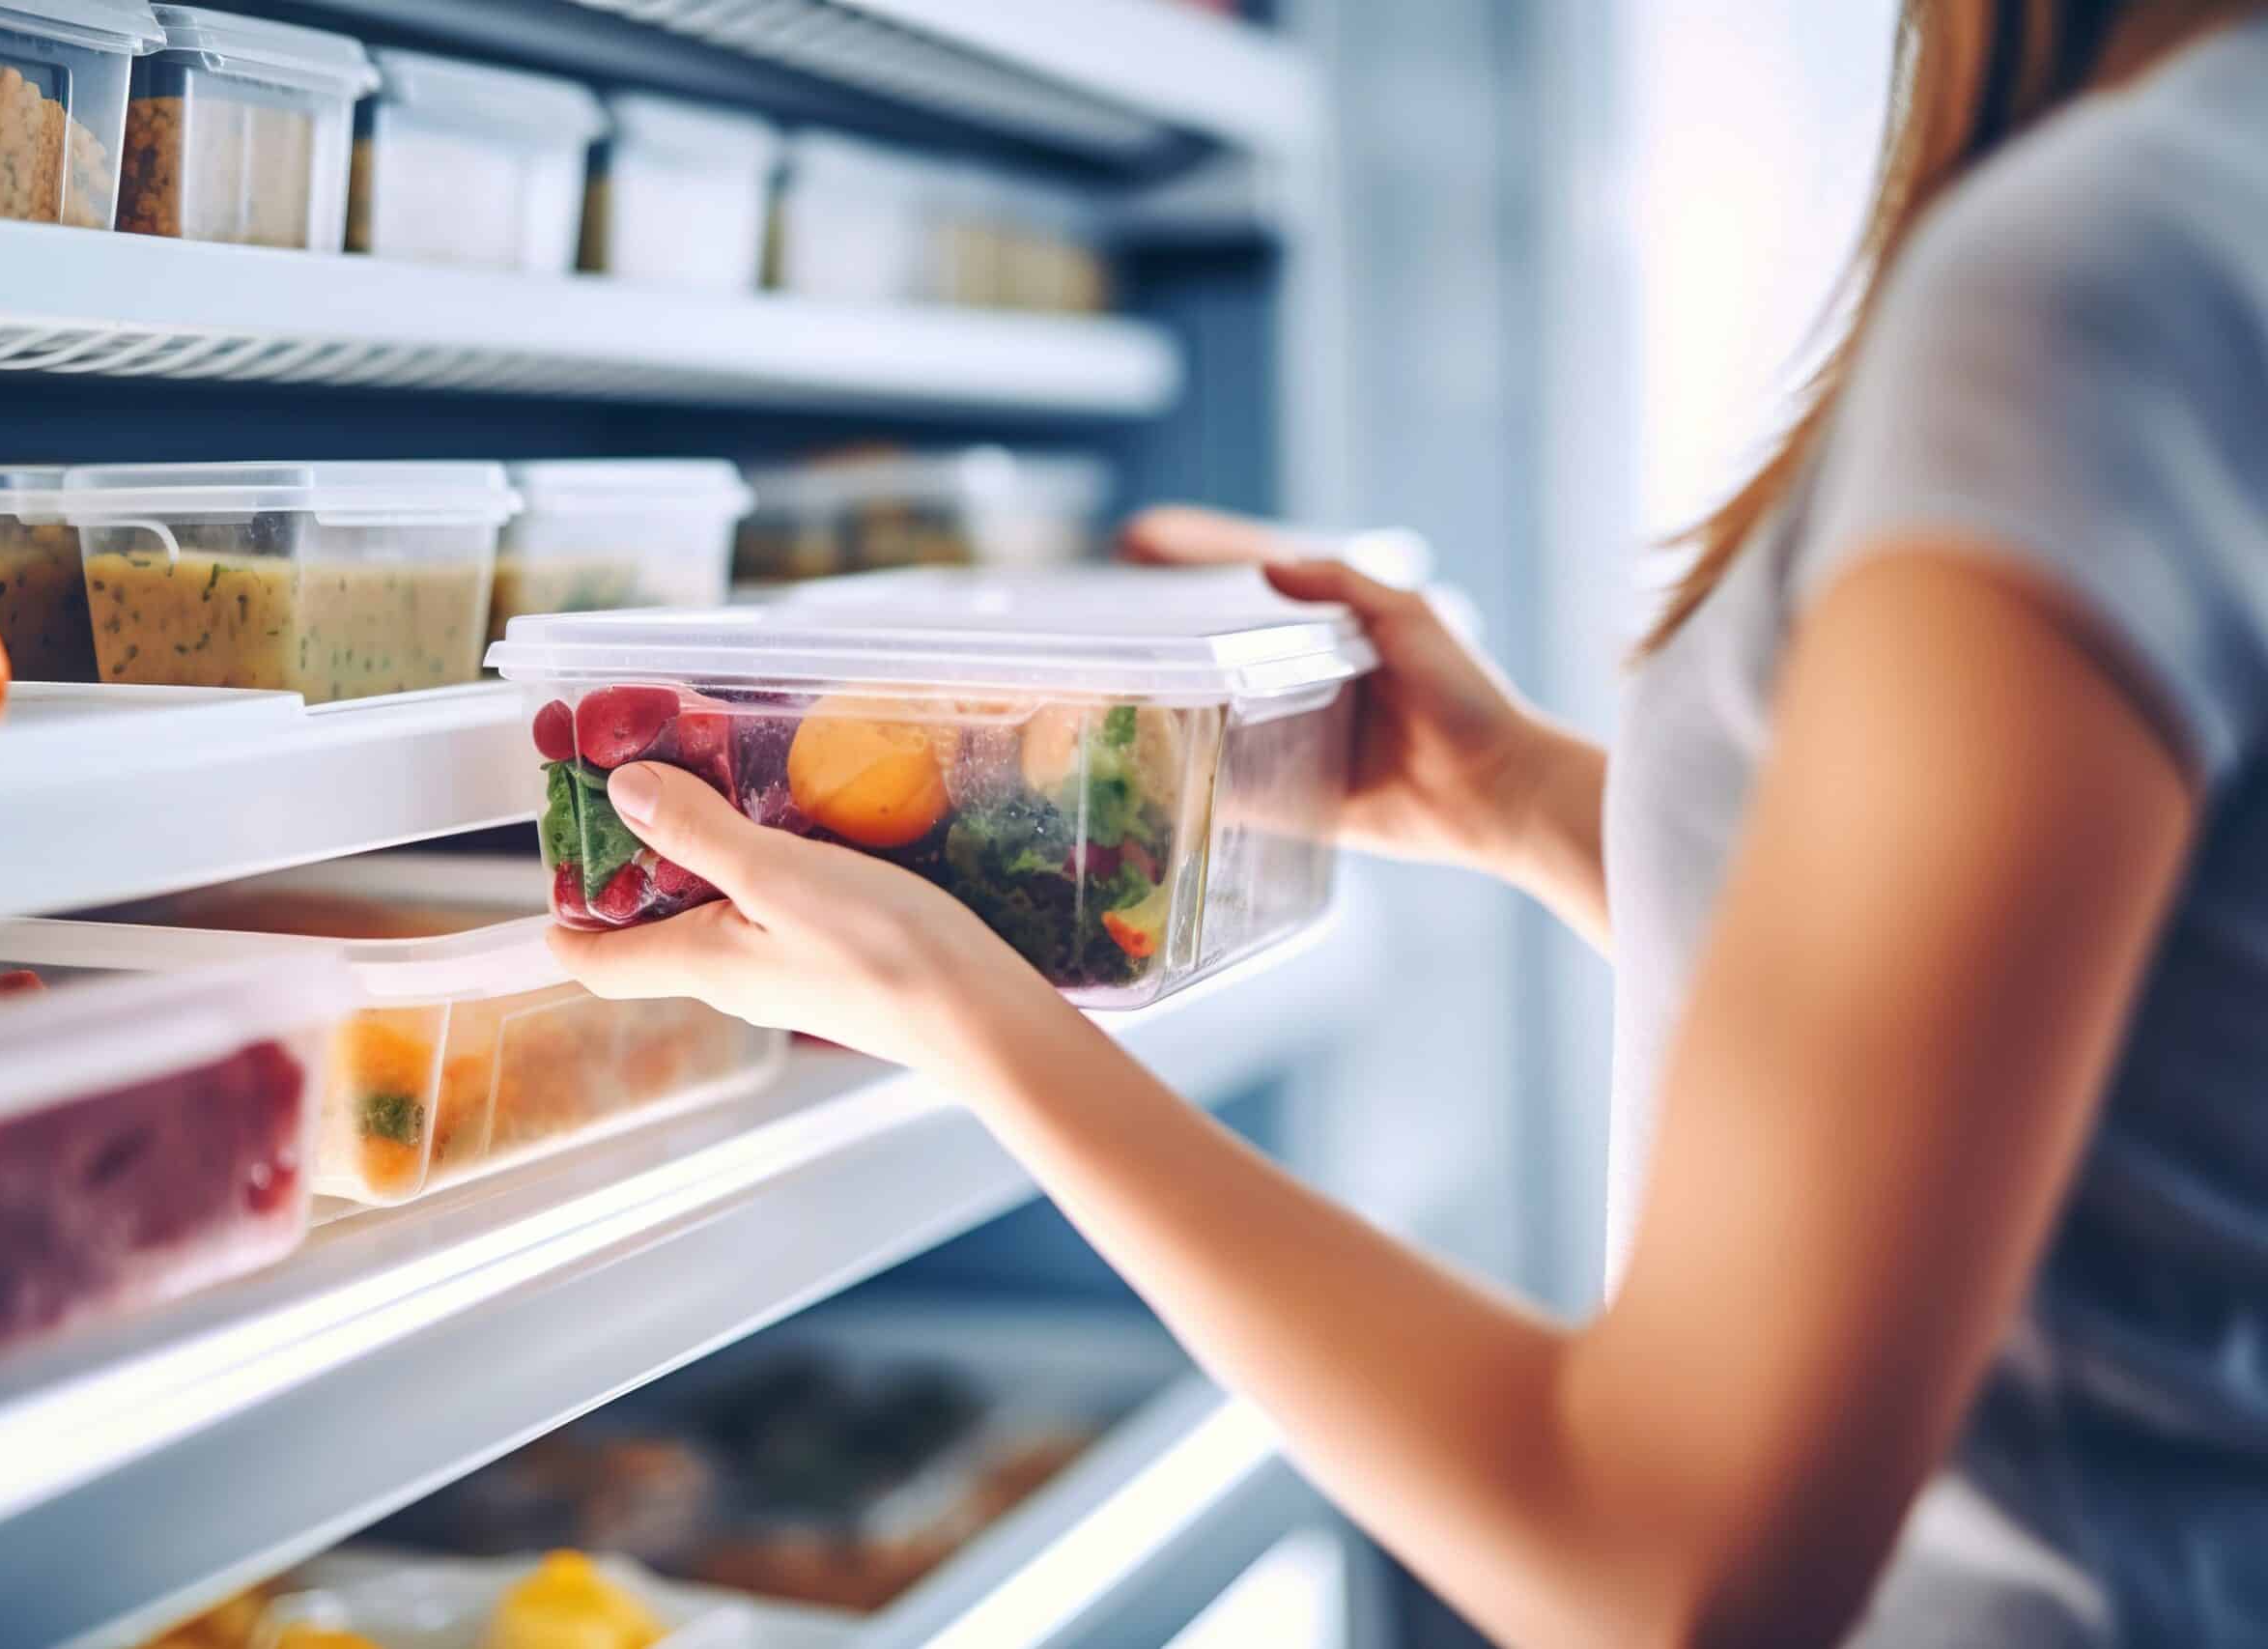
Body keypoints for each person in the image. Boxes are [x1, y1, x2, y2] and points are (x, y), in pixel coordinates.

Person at [549, 2, 2268, 1641]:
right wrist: (1519, 802)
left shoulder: (2089, 284)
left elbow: (1657, 1573)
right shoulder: (2195, 196)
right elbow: (2139, 1032)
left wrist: (971, 1017)